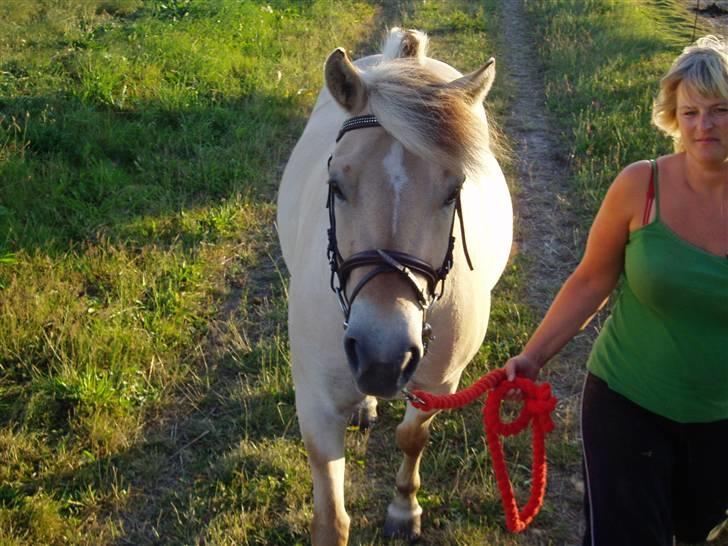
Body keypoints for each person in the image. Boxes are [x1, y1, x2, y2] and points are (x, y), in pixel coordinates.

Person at [505, 35, 728, 546]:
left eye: (719, 111)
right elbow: (591, 279)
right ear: (673, 115)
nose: (704, 126)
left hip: (721, 419)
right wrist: (533, 356)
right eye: (690, 112)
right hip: (628, 403)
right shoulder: (640, 186)